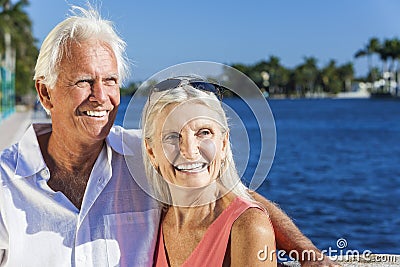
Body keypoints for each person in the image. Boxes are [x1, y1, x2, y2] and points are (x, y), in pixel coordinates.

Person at [0, 5, 338, 267]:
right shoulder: (4, 184)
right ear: (46, 94)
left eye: (111, 81)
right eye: (84, 81)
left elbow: (233, 193)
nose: (101, 96)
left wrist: (309, 254)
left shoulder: (143, 154)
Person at [141, 77, 277, 266]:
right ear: (151, 152)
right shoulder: (151, 222)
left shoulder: (248, 227)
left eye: (204, 133)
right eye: (172, 136)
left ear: (222, 144)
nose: (189, 151)